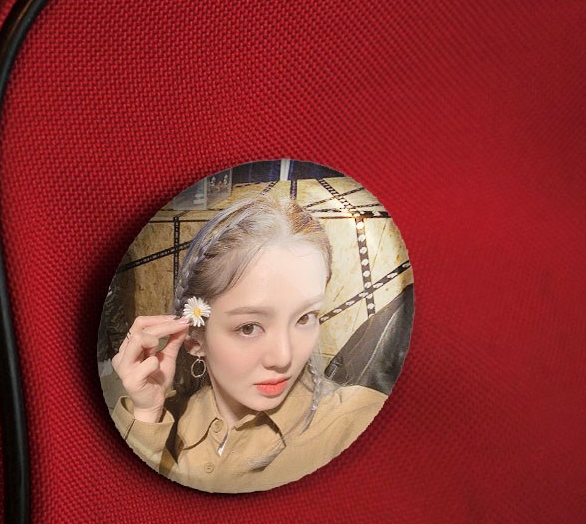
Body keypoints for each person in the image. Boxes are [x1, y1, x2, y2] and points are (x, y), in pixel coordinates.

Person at [110, 193, 386, 493]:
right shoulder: (169, 416)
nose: (283, 358)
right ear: (194, 337)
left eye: (305, 317)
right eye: (249, 327)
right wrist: (146, 414)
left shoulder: (359, 423)